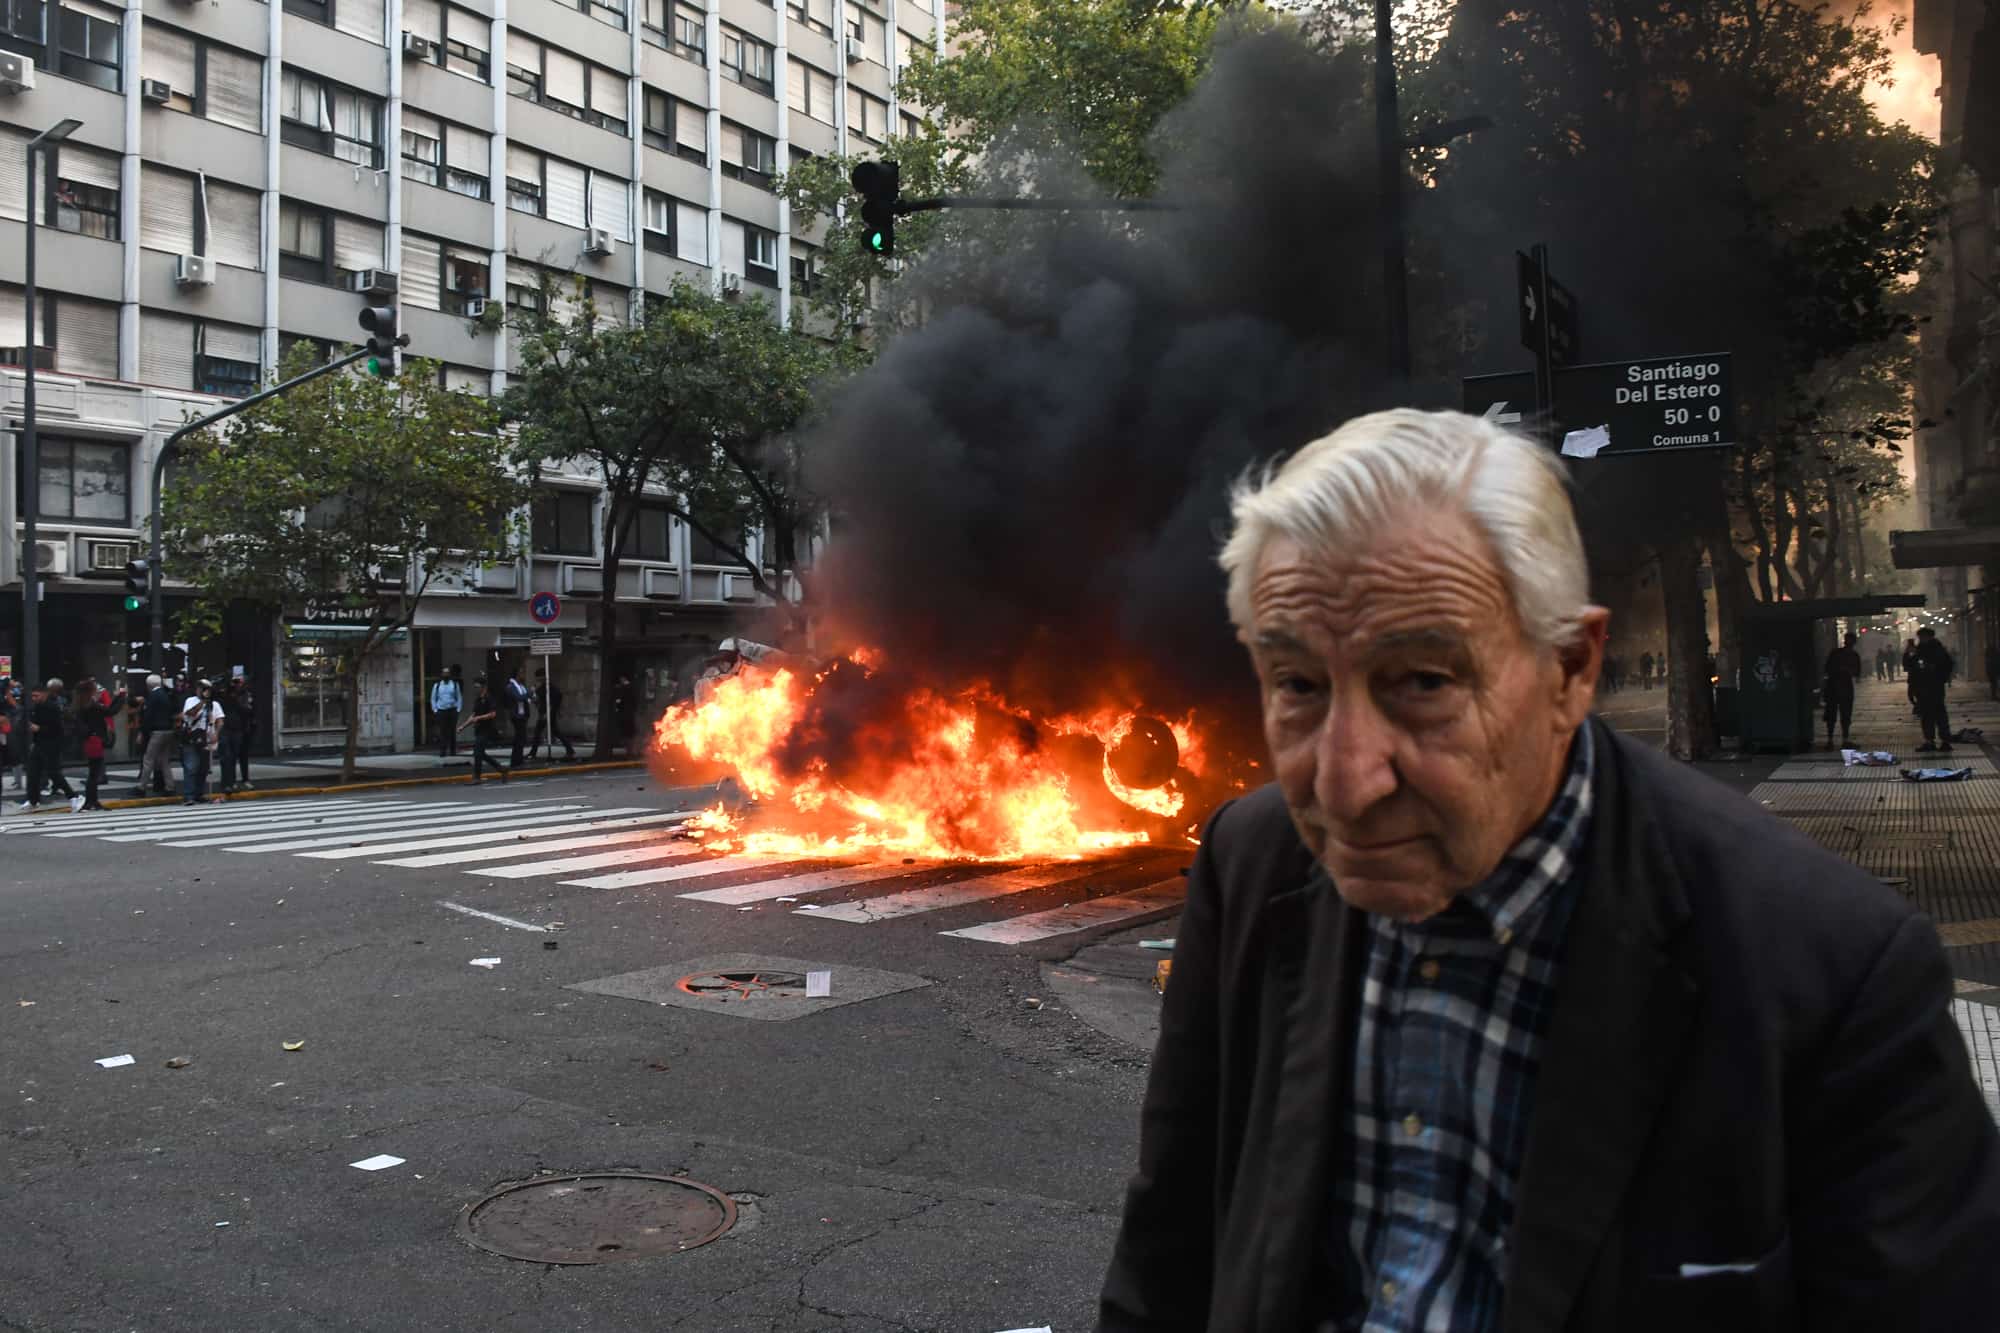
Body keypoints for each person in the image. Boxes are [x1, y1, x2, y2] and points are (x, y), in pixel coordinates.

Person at [1098, 409, 2000, 1333]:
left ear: (1571, 667)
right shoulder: (1250, 866)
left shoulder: (1833, 973)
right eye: (1296, 684)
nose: (1343, 780)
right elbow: (1166, 1269)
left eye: (1423, 683)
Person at [19, 680, 76, 811]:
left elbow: (57, 729)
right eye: (32, 696)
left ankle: (73, 797)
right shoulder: (36, 708)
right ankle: (33, 800)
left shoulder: (52, 707)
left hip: (52, 744)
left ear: (44, 694)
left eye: (36, 696)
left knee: (54, 773)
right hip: (39, 743)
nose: (34, 698)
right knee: (32, 772)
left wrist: (39, 729)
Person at [1912, 626, 1957, 754]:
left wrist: (1939, 674)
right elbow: (1911, 666)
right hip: (1923, 687)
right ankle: (1929, 741)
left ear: (1930, 637)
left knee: (1939, 713)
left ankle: (1945, 741)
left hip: (1935, 686)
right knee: (1926, 715)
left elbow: (1948, 665)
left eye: (1923, 637)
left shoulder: (1938, 649)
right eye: (1920, 637)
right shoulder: (1918, 650)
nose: (1921, 639)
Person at [178, 680, 223, 805]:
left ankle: (199, 793)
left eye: (204, 688)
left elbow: (220, 720)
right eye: (200, 688)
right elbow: (190, 714)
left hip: (206, 738)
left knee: (204, 768)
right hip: (191, 737)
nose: (201, 691)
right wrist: (202, 702)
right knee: (191, 766)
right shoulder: (190, 701)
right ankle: (189, 795)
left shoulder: (214, 704)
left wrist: (216, 734)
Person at [74, 678, 115, 812]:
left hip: (90, 740)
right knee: (94, 772)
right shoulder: (92, 705)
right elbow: (110, 711)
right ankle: (91, 801)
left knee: (93, 772)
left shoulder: (82, 704)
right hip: (94, 740)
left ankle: (92, 801)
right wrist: (121, 696)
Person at [133, 673, 178, 796]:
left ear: (148, 685)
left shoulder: (152, 696)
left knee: (148, 759)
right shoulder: (167, 695)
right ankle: (170, 786)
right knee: (164, 760)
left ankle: (141, 787)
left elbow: (148, 716)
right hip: (168, 730)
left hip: (157, 731)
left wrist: (142, 732)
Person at [458, 675, 508, 783]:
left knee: (477, 752)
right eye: (475, 687)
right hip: (479, 729)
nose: (476, 689)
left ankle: (477, 777)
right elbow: (473, 715)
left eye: (477, 687)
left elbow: (493, 714)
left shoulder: (489, 698)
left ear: (483, 687)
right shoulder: (478, 700)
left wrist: (479, 718)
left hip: (487, 729)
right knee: (480, 753)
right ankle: (501, 769)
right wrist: (463, 726)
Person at [1821, 631, 1862, 748]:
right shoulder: (1853, 655)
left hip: (1834, 686)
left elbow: (1827, 668)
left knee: (1833, 714)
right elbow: (1857, 673)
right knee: (1843, 714)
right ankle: (1842, 740)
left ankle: (1831, 740)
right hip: (1843, 687)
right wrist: (1846, 671)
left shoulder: (1835, 653)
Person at [531, 670, 577, 762]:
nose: (538, 679)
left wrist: (551, 710)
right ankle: (570, 750)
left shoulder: (549, 687)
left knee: (539, 732)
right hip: (544, 712)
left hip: (548, 713)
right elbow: (537, 700)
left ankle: (533, 753)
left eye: (539, 677)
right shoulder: (541, 687)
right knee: (552, 732)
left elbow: (557, 697)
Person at [503, 665, 532, 768]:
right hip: (516, 715)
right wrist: (529, 693)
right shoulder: (511, 687)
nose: (523, 675)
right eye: (521, 673)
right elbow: (518, 697)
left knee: (521, 738)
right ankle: (516, 761)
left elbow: (525, 698)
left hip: (522, 715)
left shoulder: (521, 686)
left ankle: (518, 759)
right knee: (519, 738)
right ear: (516, 674)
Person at [431, 665, 463, 757]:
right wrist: (435, 709)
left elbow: (459, 697)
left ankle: (453, 751)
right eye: (444, 673)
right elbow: (433, 698)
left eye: (447, 673)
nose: (446, 674)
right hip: (441, 711)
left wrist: (458, 709)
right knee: (443, 732)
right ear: (442, 674)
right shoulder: (437, 685)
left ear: (449, 674)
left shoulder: (454, 684)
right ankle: (443, 751)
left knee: (452, 732)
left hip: (452, 711)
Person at [1904, 637, 1921, 715]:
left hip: (1917, 675)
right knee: (1911, 694)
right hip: (1912, 675)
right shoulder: (1907, 652)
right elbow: (1904, 661)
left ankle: (1918, 707)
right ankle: (1917, 706)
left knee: (1916, 693)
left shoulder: (1917, 650)